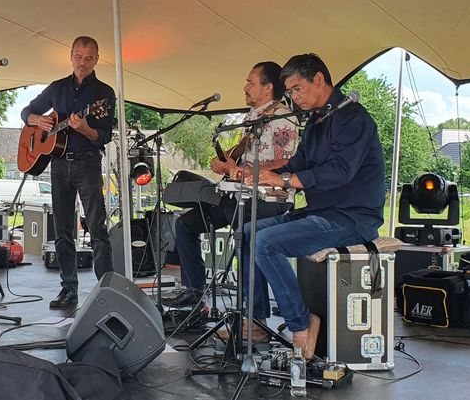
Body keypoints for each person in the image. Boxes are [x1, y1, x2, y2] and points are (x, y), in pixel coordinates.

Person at [239, 53, 386, 358]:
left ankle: (301, 323)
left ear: (318, 79)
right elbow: (298, 163)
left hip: (351, 218)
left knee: (265, 241)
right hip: (322, 212)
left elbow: (339, 171)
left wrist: (288, 181)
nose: (293, 97)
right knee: (247, 231)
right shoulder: (319, 120)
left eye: (296, 89)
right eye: (289, 92)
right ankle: (255, 320)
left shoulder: (352, 118)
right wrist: (259, 175)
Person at [164, 61, 298, 310]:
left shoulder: (282, 118)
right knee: (184, 225)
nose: (245, 87)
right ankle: (194, 291)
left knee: (244, 233)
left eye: (250, 82)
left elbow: (288, 161)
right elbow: (240, 155)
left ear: (268, 88)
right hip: (238, 195)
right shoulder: (252, 117)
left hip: (268, 199)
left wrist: (244, 171)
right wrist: (226, 159)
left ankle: (254, 312)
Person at [21, 36, 115, 308]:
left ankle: (105, 292)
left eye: (88, 58)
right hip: (59, 164)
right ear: (71, 56)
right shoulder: (57, 88)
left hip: (87, 163)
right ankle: (68, 289)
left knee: (97, 228)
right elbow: (27, 110)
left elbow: (104, 135)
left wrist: (84, 129)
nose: (82, 62)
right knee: (62, 230)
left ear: (97, 59)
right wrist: (37, 119)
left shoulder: (104, 94)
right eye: (78, 56)